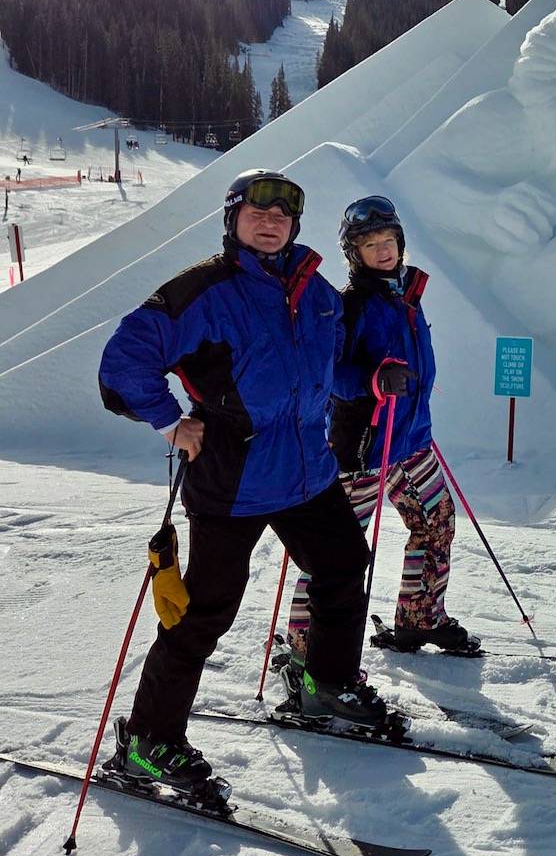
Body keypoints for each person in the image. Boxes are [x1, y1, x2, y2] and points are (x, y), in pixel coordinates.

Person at [97, 169, 388, 792]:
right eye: (257, 213)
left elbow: (328, 369)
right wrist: (169, 422)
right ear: (232, 220)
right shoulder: (204, 290)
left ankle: (325, 683)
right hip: (234, 479)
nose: (271, 223)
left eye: (282, 215)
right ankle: (147, 741)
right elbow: (124, 361)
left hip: (307, 473)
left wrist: (370, 380)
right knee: (204, 613)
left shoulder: (317, 292)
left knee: (343, 566)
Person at [281, 194, 478, 677]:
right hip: (362, 448)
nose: (383, 250)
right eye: (370, 245)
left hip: (410, 441)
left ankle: (419, 619)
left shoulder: (406, 296)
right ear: (356, 254)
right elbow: (329, 372)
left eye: (388, 240)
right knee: (334, 552)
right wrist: (372, 380)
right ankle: (305, 647)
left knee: (436, 523)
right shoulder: (351, 305)